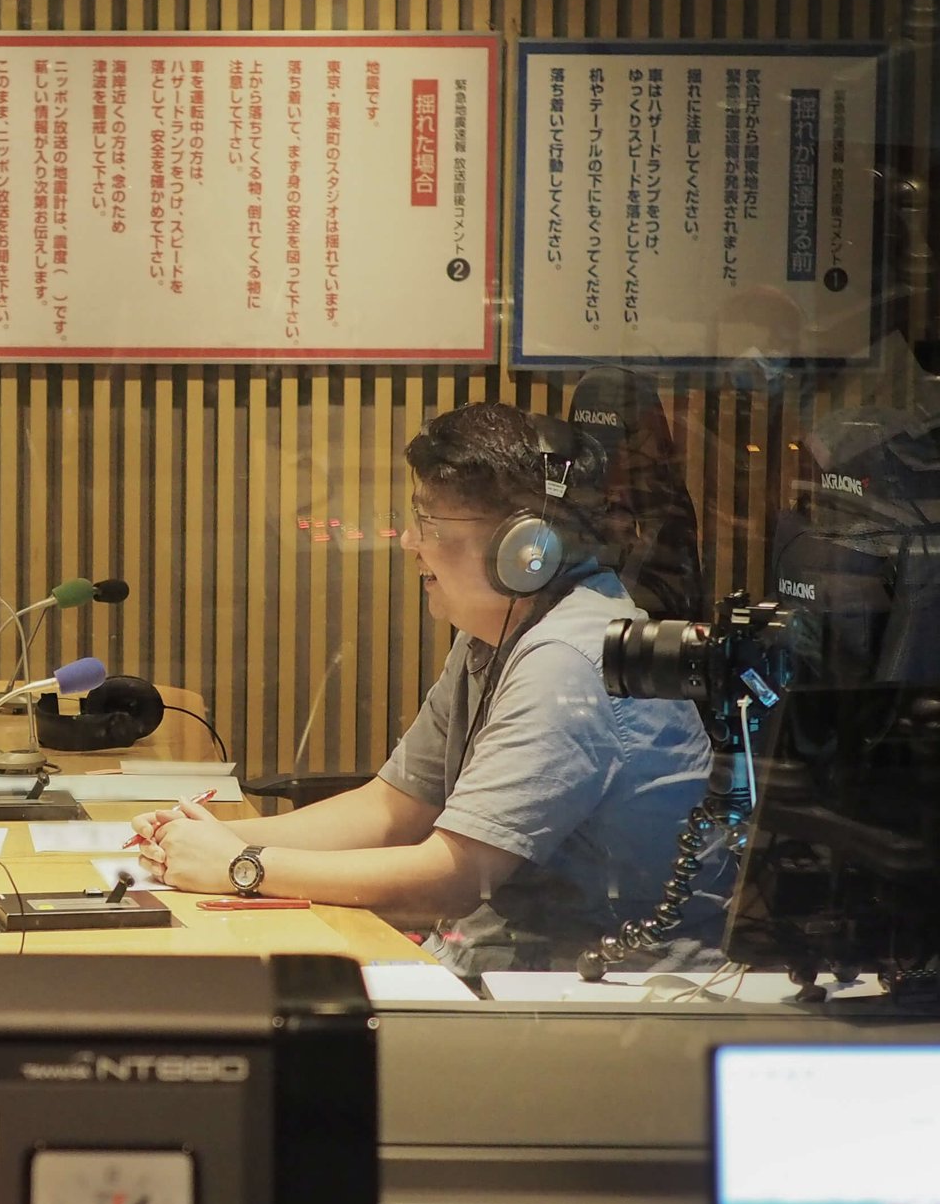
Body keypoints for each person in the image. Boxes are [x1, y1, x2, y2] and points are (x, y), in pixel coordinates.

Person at [132, 402, 714, 975]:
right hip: (508, 969)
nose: (410, 540)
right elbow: (393, 806)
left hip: (602, 996)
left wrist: (243, 865)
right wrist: (204, 837)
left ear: (526, 549)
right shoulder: (499, 627)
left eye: (431, 523)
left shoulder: (566, 659)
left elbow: (453, 879)